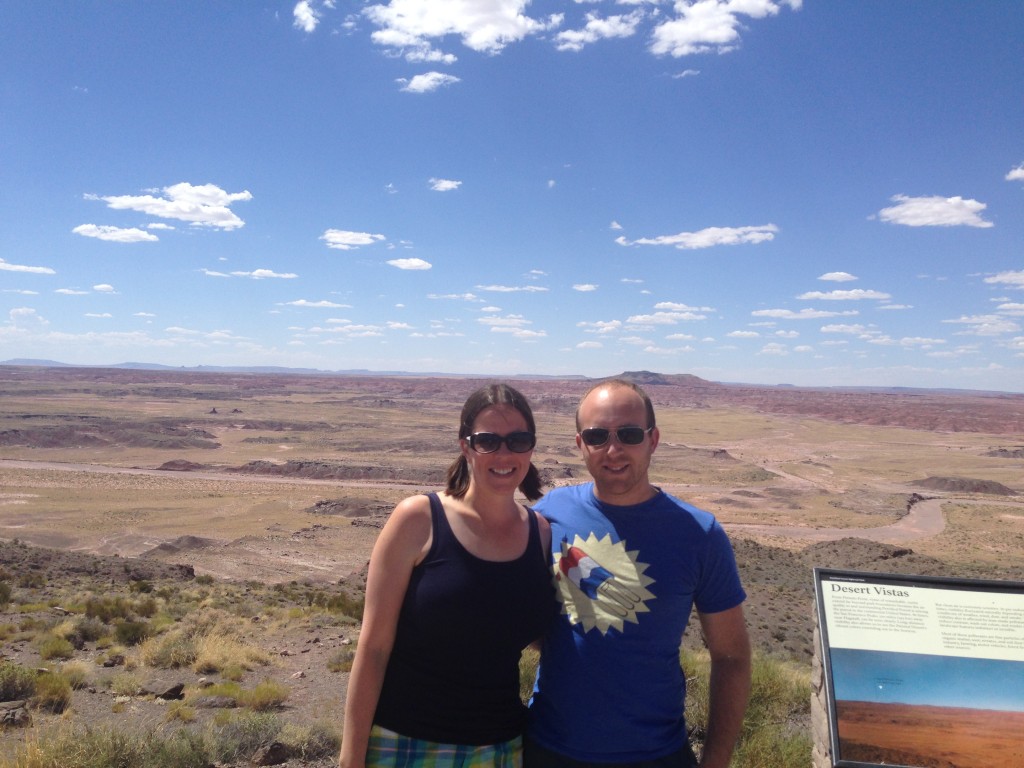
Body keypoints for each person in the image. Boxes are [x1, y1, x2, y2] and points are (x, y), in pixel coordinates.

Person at [526, 379, 751, 768]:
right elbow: (516, 612)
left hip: (657, 755)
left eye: (629, 434)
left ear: (653, 439)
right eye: (598, 436)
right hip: (548, 748)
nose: (613, 450)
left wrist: (715, 761)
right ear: (580, 445)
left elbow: (731, 657)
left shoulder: (700, 534)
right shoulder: (549, 514)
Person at [339, 383, 556, 768]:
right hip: (406, 745)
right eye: (488, 441)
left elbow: (531, 633)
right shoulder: (418, 520)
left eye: (518, 440)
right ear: (465, 445)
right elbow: (373, 649)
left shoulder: (539, 534)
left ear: (531, 447)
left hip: (502, 748)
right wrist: (350, 759)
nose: (503, 454)